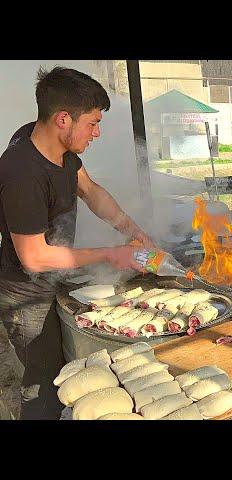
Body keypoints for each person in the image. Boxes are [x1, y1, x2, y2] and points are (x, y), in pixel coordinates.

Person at [0, 66, 155, 419]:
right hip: (27, 296)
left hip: (53, 280)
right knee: (45, 381)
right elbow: (35, 257)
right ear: (63, 120)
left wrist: (131, 229)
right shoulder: (23, 172)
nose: (97, 132)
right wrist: (112, 254)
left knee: (69, 364)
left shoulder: (52, 145)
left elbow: (90, 191)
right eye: (93, 123)